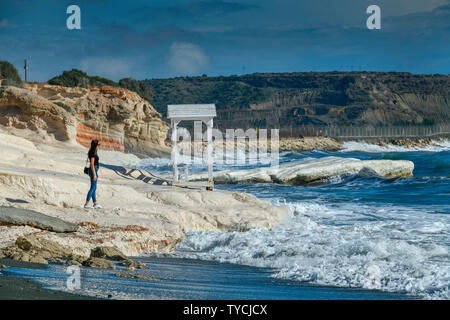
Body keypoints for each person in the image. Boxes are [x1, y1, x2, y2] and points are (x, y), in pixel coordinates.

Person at [84, 140, 102, 209]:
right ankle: (86, 203)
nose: (99, 146)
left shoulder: (93, 151)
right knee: (93, 187)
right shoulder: (92, 152)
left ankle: (95, 203)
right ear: (95, 145)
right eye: (98, 144)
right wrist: (94, 174)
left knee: (93, 187)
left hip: (93, 170)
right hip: (93, 170)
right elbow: (92, 164)